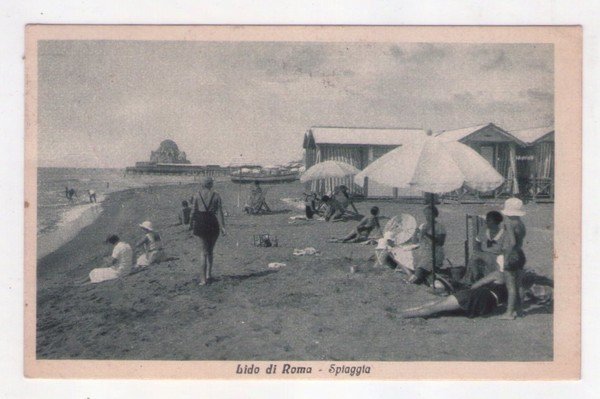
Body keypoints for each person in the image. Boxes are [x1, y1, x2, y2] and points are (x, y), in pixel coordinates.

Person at [401, 270, 507, 319]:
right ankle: (407, 312)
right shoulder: (515, 282)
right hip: (487, 306)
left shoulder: (498, 274)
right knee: (442, 307)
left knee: (435, 308)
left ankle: (402, 315)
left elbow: (475, 286)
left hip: (478, 296)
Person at [463, 211, 516, 285]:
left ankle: (486, 280)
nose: (486, 221)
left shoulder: (504, 234)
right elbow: (477, 242)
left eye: (489, 220)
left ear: (496, 221)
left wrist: (492, 254)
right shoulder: (484, 230)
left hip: (496, 255)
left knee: (488, 258)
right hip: (483, 253)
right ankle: (476, 277)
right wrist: (479, 251)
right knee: (473, 257)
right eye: (486, 219)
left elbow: (504, 250)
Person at [191, 176, 226, 285]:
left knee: (203, 252)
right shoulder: (216, 195)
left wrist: (190, 224)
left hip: (201, 222)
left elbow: (193, 212)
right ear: (211, 184)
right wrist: (223, 226)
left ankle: (203, 279)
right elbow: (220, 212)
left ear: (202, 184)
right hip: (212, 222)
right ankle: (208, 275)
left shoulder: (197, 195)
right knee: (210, 251)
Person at [499, 198, 527, 320]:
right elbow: (519, 241)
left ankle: (509, 312)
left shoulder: (509, 222)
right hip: (520, 254)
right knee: (519, 284)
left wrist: (506, 258)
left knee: (510, 285)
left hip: (512, 255)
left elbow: (512, 242)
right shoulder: (520, 223)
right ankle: (520, 310)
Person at [408, 206, 446, 284]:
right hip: (423, 254)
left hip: (434, 255)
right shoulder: (423, 225)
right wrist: (415, 233)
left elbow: (441, 243)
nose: (427, 216)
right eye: (426, 214)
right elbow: (415, 242)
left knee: (416, 279)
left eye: (430, 214)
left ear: (435, 215)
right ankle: (428, 275)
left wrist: (427, 234)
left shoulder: (439, 227)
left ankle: (427, 275)